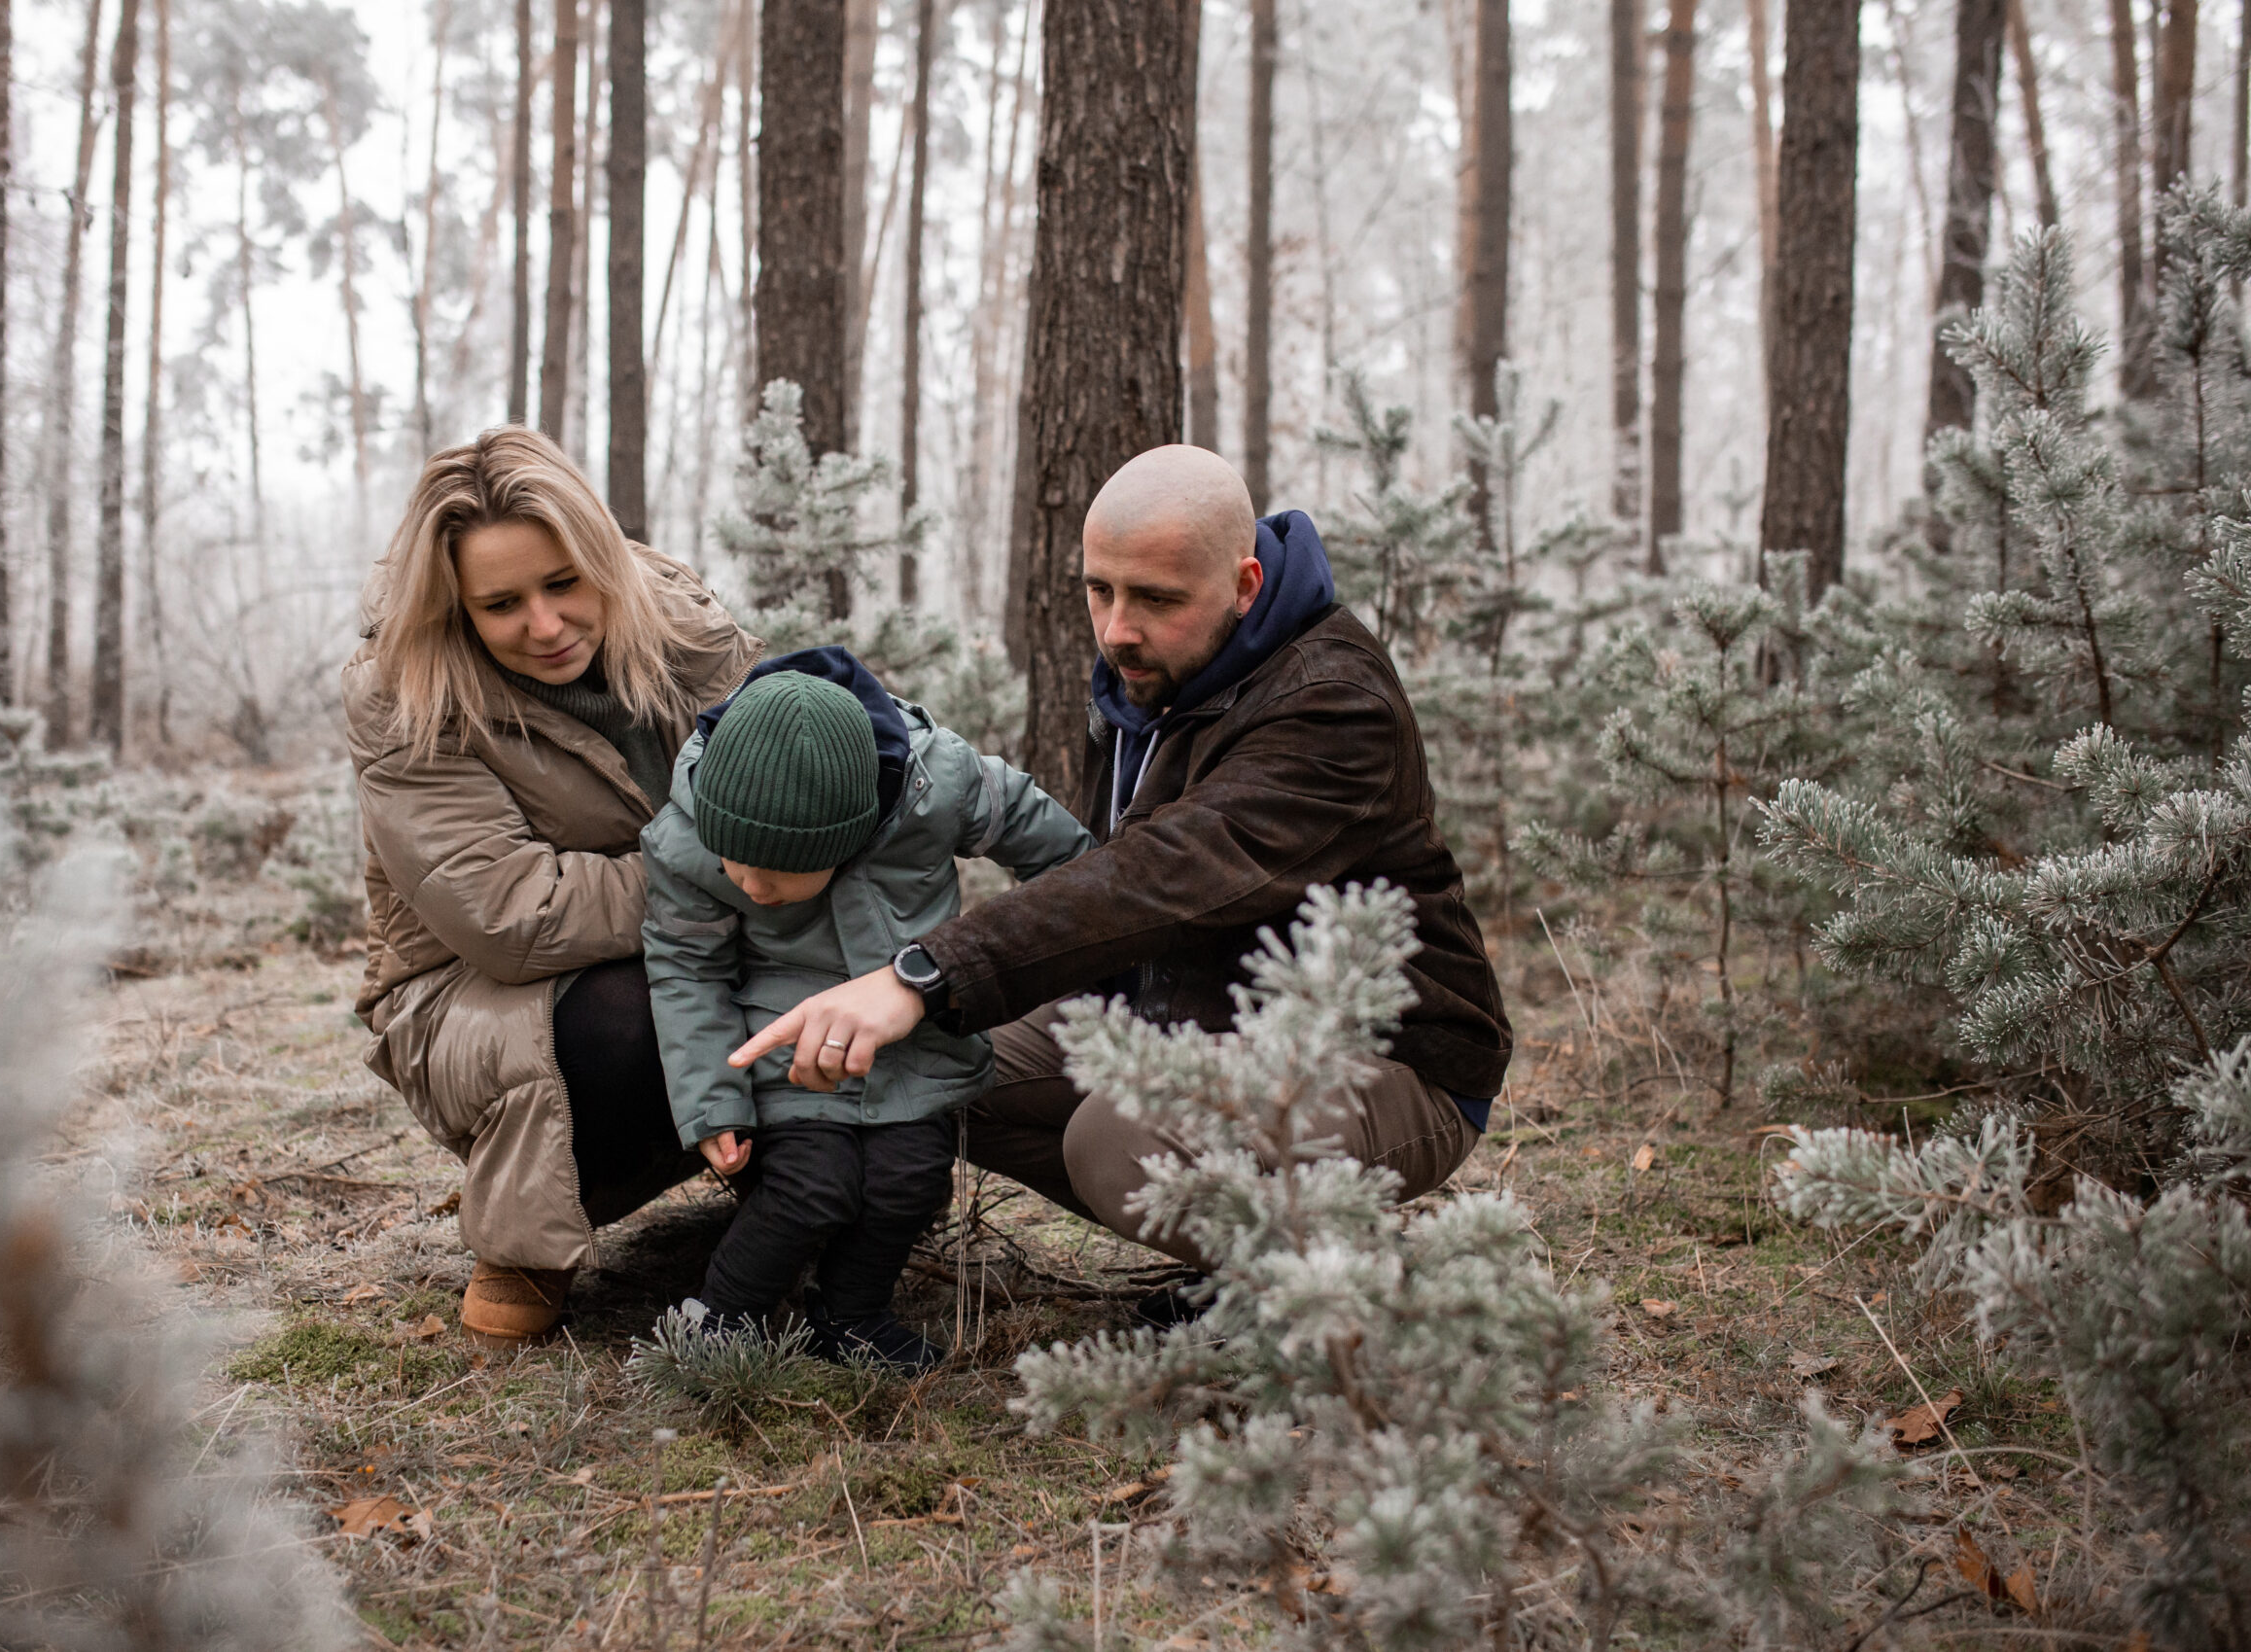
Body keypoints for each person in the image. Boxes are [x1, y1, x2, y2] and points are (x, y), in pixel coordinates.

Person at [725, 444, 1512, 1280]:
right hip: (1190, 1017)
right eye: (1100, 590)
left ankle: (1324, 1284)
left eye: (1156, 598)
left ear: (1245, 587)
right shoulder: (1163, 664)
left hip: (1380, 1056)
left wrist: (922, 974)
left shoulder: (1333, 703)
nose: (1115, 629)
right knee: (931, 1068)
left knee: (1115, 1140)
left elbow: (1161, 874)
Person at [346, 426, 759, 1346]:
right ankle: (528, 1243)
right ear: (455, 606)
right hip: (478, 993)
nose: (545, 624)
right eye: (502, 604)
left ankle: (798, 1203)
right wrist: (742, 880)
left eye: (565, 583)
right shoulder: (402, 694)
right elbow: (511, 916)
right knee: (639, 1022)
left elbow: (785, 776)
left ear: (601, 559)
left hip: (709, 928)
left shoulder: (683, 626)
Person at [641, 649, 1094, 1367]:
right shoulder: (688, 834)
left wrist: (1018, 957)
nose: (751, 885)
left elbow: (1068, 858)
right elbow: (686, 967)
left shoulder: (933, 785)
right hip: (782, 1051)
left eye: (780, 872)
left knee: (908, 1178)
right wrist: (711, 1099)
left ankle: (850, 1313)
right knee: (810, 1185)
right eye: (735, 862)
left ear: (850, 840)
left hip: (912, 1041)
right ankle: (721, 1317)